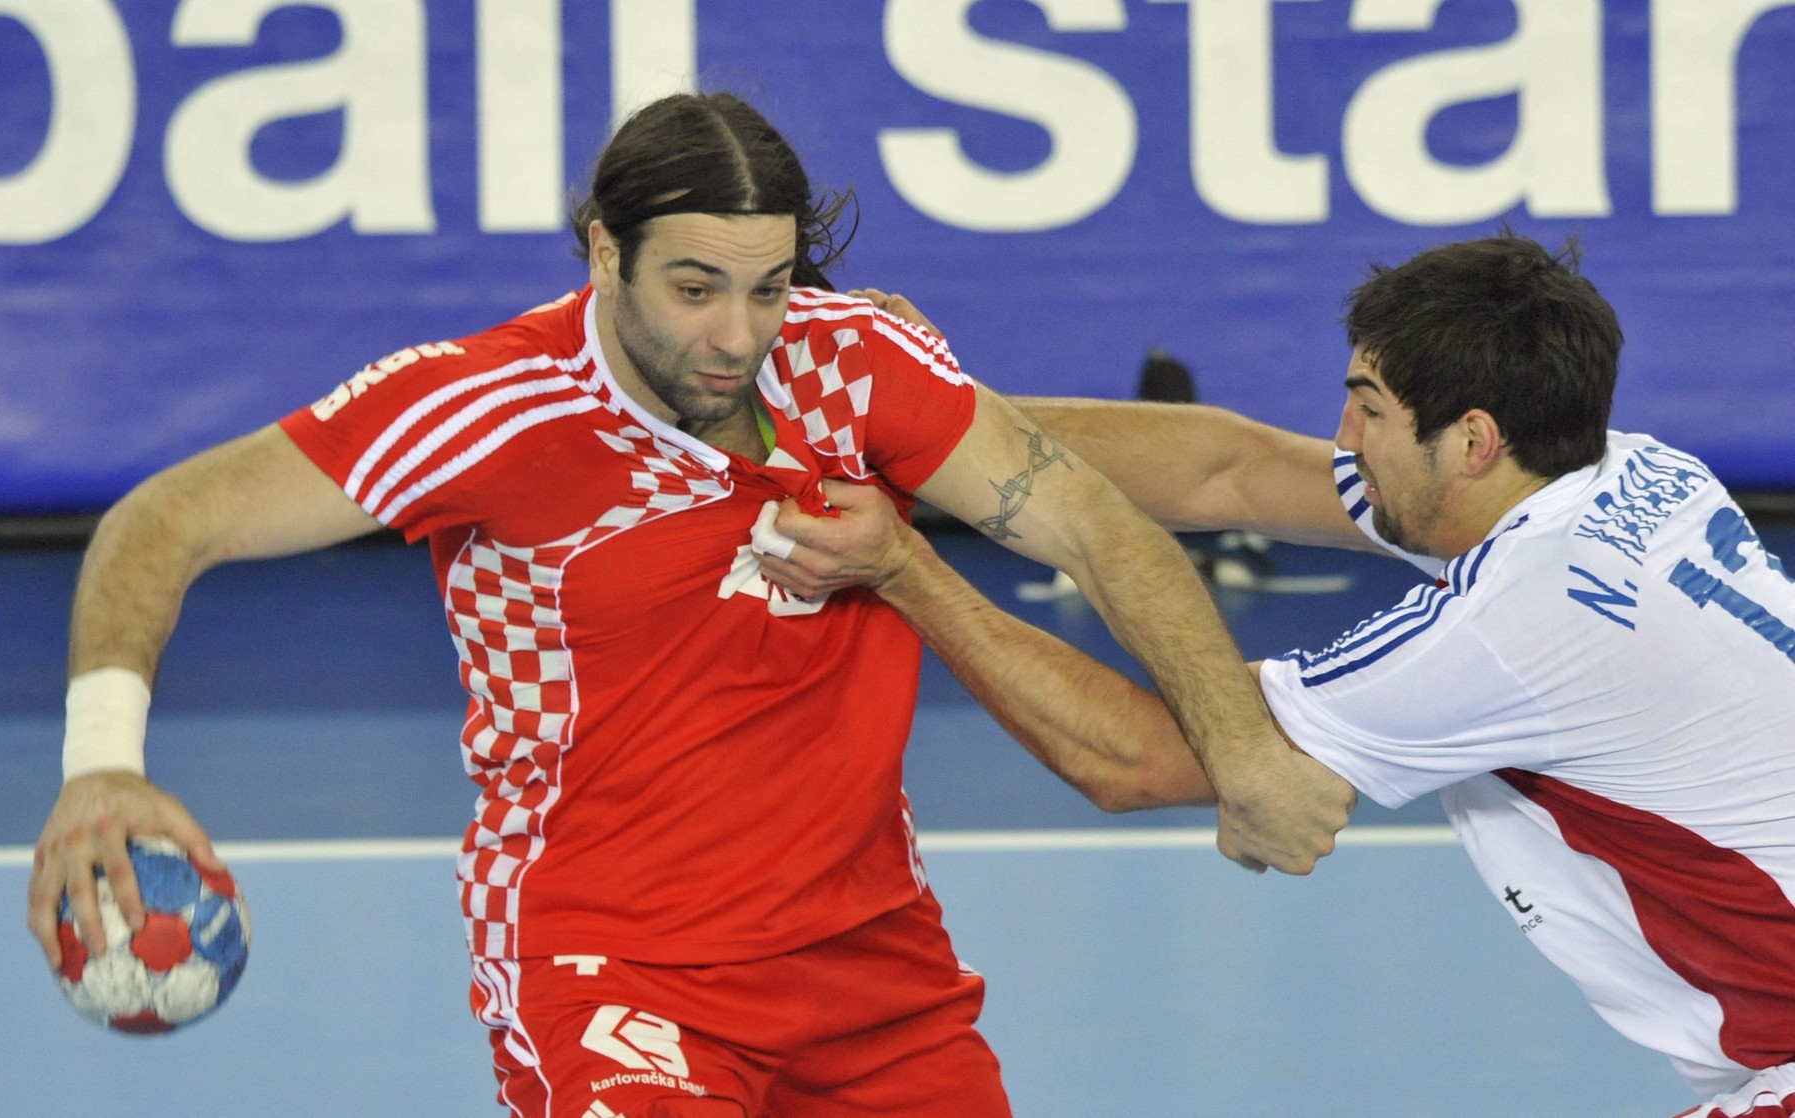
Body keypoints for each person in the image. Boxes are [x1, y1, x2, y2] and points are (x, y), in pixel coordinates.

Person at [26, 91, 1351, 1118]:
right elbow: (169, 517)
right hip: (612, 962)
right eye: (695, 288)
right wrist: (100, 767)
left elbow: (1097, 517)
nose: (737, 334)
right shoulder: (482, 409)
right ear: (604, 250)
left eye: (770, 287)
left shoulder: (855, 366)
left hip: (872, 967)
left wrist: (1240, 749)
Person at [764, 236, 1795, 1117]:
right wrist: (931, 411)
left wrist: (907, 568)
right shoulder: (1624, 468)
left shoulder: (1514, 626)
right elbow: (1233, 467)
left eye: (1369, 408)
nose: (1344, 436)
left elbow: (1135, 761)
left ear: (1473, 439)